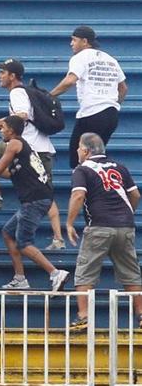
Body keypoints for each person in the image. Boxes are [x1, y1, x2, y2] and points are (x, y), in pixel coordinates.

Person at [0, 59, 65, 250]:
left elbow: (22, 115)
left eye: (3, 72)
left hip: (32, 148)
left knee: (45, 194)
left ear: (12, 76)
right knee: (44, 191)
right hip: (35, 146)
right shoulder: (24, 92)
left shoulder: (17, 92)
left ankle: (57, 237)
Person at [0, 116, 70, 291]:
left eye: (3, 127)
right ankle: (20, 277)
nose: (0, 130)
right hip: (37, 198)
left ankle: (55, 273)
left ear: (11, 131)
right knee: (8, 233)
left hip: (34, 200)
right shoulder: (21, 148)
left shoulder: (14, 144)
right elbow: (7, 173)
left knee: (24, 243)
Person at [66, 133, 142, 330]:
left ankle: (83, 317)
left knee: (85, 272)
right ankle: (141, 315)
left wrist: (69, 223)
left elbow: (78, 196)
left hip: (99, 225)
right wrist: (126, 214)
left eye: (78, 148)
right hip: (125, 226)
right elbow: (135, 194)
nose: (77, 152)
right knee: (131, 273)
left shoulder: (82, 170)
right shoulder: (120, 167)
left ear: (85, 150)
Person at [50, 26, 127, 169]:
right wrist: (114, 104)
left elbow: (70, 80)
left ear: (84, 41)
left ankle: (81, 189)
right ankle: (100, 187)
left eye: (74, 40)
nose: (71, 44)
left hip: (92, 114)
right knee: (97, 159)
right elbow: (123, 88)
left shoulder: (80, 57)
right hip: (111, 115)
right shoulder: (110, 59)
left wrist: (49, 95)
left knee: (78, 156)